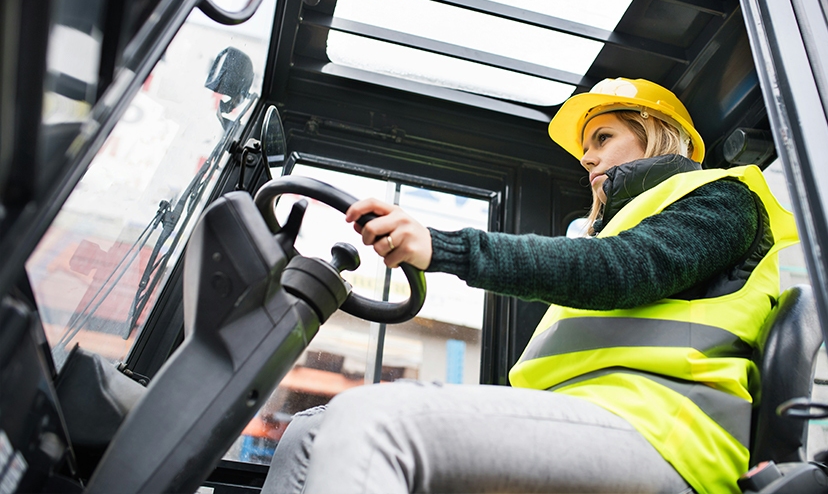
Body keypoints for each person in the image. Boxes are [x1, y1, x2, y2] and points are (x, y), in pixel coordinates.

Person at [261, 78, 798, 494]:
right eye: (586, 146)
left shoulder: (724, 200)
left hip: (665, 434)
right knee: (308, 432)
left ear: (658, 134)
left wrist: (444, 248)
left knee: (373, 420)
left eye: (603, 138)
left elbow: (623, 269)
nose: (587, 158)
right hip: (588, 424)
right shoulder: (613, 230)